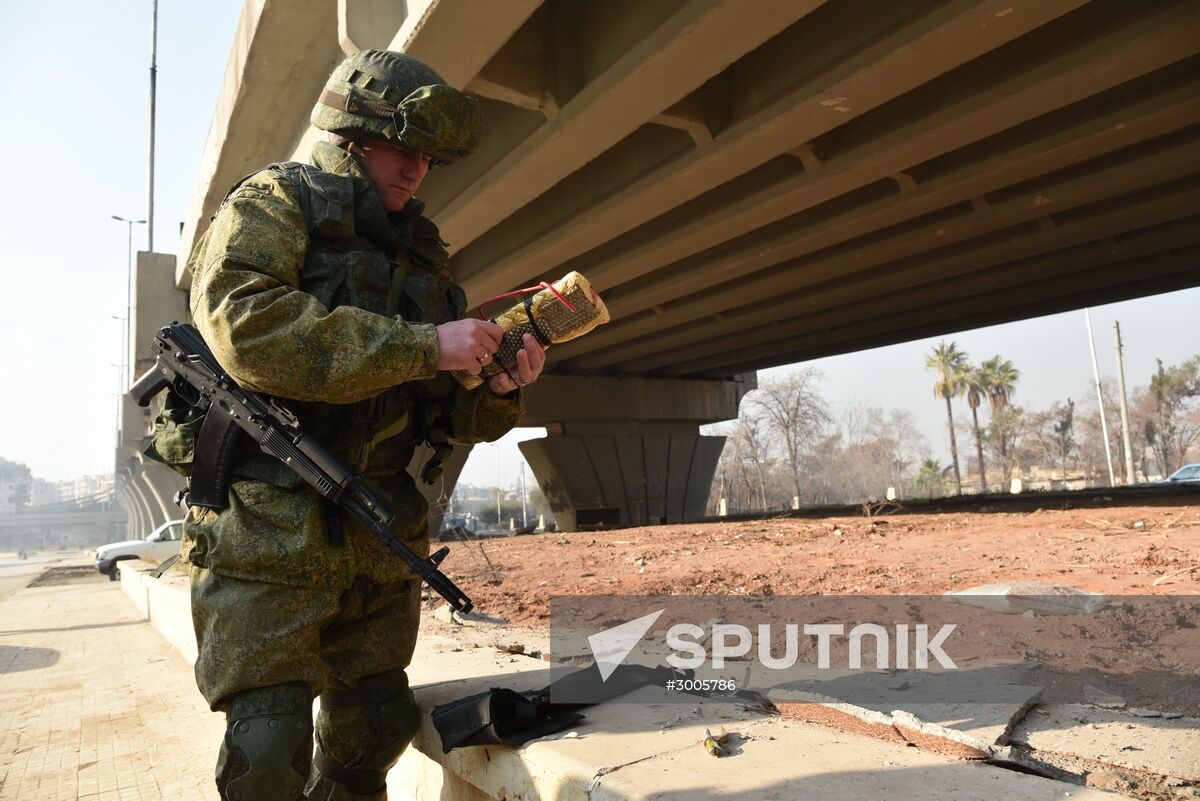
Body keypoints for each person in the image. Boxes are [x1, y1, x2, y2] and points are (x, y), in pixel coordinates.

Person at [145, 49, 545, 801]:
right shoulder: (273, 204)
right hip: (270, 535)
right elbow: (247, 327)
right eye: (406, 148)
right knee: (267, 750)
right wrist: (426, 344)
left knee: (373, 729)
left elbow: (444, 412)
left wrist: (496, 386)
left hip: (377, 541)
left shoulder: (421, 256)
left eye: (431, 155)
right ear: (352, 136)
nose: (420, 169)